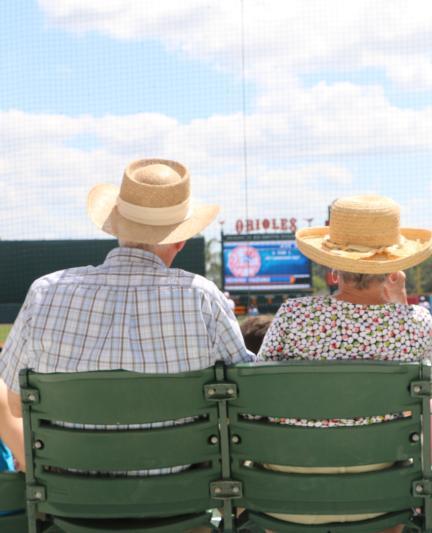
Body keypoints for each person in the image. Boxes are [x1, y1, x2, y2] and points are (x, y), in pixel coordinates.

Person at [0, 158, 253, 471]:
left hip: (69, 504)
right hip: (178, 501)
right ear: (180, 241)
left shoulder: (45, 291)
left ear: (116, 227)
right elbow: (247, 395)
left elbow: (12, 402)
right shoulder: (202, 296)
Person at [257, 194, 432, 532]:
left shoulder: (295, 315)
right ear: (393, 266)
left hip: (292, 496)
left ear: (333, 266)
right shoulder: (418, 324)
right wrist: (399, 305)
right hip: (381, 497)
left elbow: (258, 395)